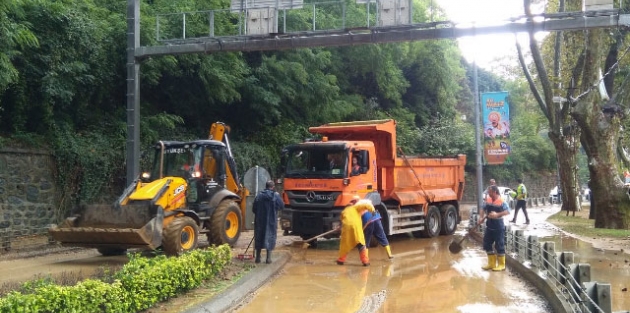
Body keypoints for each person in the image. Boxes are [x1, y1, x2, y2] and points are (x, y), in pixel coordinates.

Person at [253, 180, 284, 264]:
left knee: (259, 237)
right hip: (271, 221)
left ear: (265, 186)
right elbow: (282, 206)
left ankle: (258, 258)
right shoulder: (275, 196)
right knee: (270, 237)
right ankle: (268, 259)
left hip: (260, 221)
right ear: (273, 187)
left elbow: (254, 209)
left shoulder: (259, 196)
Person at [480, 185, 510, 271]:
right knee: (487, 243)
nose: (488, 194)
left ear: (495, 192)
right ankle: (491, 263)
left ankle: (501, 265)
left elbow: (508, 211)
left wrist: (497, 214)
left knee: (499, 245)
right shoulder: (488, 199)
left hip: (498, 225)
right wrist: (481, 217)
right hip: (489, 225)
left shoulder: (501, 201)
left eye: (490, 192)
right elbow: (482, 208)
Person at [336, 196, 370, 266]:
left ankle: (341, 260)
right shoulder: (358, 208)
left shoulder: (345, 210)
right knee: (361, 244)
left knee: (345, 245)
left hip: (347, 229)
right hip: (356, 229)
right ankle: (365, 261)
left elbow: (342, 221)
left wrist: (340, 227)